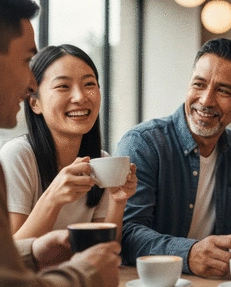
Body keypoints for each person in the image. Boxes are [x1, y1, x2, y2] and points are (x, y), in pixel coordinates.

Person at [0, 0, 121, 287]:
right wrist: (86, 274)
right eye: (26, 61)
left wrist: (36, 252)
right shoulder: (16, 155)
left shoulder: (98, 158)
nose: (30, 82)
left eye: (89, 85)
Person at [115, 38, 231, 278]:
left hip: (216, 286)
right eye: (199, 85)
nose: (206, 100)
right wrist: (188, 253)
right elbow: (127, 233)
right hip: (154, 286)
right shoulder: (143, 144)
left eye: (222, 90)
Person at [0, 44, 137, 242]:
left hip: (76, 272)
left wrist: (118, 201)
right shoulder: (18, 156)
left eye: (89, 84)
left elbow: (105, 250)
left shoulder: (101, 161)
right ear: (34, 103)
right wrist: (53, 199)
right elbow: (12, 254)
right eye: (63, 86)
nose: (80, 97)